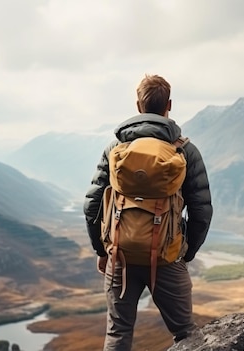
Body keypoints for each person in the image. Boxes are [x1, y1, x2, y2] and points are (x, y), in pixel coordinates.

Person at [83, 74, 213, 350]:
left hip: (120, 255)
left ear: (138, 106)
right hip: (167, 257)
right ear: (169, 105)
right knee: (186, 333)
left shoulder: (115, 149)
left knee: (118, 333)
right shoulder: (186, 151)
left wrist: (100, 249)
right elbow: (201, 210)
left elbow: (92, 204)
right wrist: (185, 252)